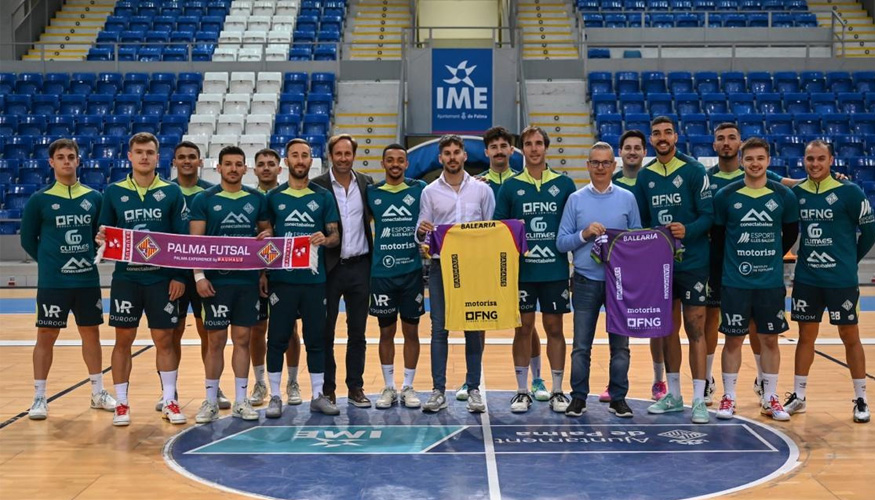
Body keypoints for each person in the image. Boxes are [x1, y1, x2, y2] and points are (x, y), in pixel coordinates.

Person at [705, 123, 802, 405]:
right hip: (731, 278)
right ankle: (725, 393)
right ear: (741, 160)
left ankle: (768, 391)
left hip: (768, 281)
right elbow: (720, 238)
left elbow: (792, 232)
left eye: (760, 158)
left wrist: (771, 254)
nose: (755, 163)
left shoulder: (781, 194)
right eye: (750, 159)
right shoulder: (721, 191)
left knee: (768, 337)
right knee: (730, 337)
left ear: (768, 161)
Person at [96, 132, 188, 426]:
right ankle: (122, 403)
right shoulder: (113, 192)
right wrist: (100, 239)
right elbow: (103, 233)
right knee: (123, 339)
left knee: (164, 339)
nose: (144, 157)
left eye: (150, 152)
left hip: (161, 279)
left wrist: (178, 276)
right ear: (130, 156)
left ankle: (170, 399)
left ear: (157, 156)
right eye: (139, 152)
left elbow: (180, 239)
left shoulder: (172, 192)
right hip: (127, 279)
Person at [21, 138, 116, 420]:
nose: (66, 161)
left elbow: (98, 236)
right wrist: (51, 263)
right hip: (53, 283)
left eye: (70, 156)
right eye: (60, 157)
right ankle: (39, 396)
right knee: (46, 336)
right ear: (51, 162)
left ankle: (98, 392)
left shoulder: (94, 197)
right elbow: (28, 239)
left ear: (78, 161)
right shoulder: (40, 199)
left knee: (91, 334)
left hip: (86, 280)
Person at [785, 140, 874, 423]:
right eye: (810, 159)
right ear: (804, 161)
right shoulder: (798, 192)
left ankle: (861, 398)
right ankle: (799, 396)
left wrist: (850, 261)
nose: (815, 164)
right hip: (808, 279)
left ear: (831, 159)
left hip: (840, 280)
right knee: (805, 338)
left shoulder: (850, 192)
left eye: (820, 159)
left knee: (850, 337)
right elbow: (771, 179)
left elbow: (870, 232)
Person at [632, 116, 713, 424]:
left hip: (693, 263)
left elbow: (708, 216)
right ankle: (675, 395)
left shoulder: (694, 170)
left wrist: (686, 230)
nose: (662, 137)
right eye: (657, 134)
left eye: (667, 132)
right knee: (667, 330)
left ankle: (698, 399)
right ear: (651, 140)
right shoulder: (645, 176)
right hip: (661, 265)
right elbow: (639, 222)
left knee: (695, 328)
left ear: (676, 136)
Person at [493, 126, 576, 413]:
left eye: (539, 143)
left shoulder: (565, 185)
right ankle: (521, 390)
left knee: (555, 328)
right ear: (522, 150)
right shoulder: (511, 186)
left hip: (554, 270)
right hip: (523, 272)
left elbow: (573, 227)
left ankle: (557, 390)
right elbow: (499, 228)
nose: (534, 148)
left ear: (546, 147)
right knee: (523, 329)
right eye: (528, 144)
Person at [557, 142, 640, 418]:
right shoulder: (576, 199)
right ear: (588, 166)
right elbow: (561, 242)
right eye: (595, 162)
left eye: (606, 163)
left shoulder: (627, 198)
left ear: (613, 166)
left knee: (621, 346)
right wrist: (585, 234)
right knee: (581, 345)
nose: (601, 167)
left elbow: (638, 239)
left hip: (619, 282)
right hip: (584, 280)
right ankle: (578, 397)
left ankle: (619, 398)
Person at [189, 146, 271, 423]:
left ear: (245, 168)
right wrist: (199, 277)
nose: (233, 168)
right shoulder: (204, 199)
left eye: (238, 164)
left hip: (246, 281)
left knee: (243, 341)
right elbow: (194, 244)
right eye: (228, 164)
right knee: (215, 341)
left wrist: (262, 269)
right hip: (215, 283)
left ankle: (241, 400)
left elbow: (266, 236)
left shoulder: (256, 199)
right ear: (218, 168)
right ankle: (211, 401)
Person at [416, 134, 495, 413]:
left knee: (473, 328)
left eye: (456, 152)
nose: (451, 157)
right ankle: (438, 390)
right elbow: (421, 232)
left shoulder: (483, 190)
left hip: (474, 267)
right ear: (440, 158)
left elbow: (490, 229)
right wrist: (422, 234)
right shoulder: (429, 192)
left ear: (464, 156)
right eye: (446, 153)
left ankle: (473, 388)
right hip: (440, 267)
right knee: (440, 329)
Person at [263, 138, 341, 417]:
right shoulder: (273, 197)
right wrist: (267, 241)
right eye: (294, 155)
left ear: (312, 162)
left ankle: (318, 395)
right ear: (286, 162)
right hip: (282, 280)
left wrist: (326, 237)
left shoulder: (323, 196)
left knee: (316, 339)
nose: (299, 160)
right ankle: (274, 396)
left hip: (313, 280)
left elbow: (335, 237)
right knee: (277, 339)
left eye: (304, 156)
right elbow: (264, 237)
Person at [472, 125, 547, 402]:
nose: (499, 151)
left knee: (525, 322)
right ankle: (474, 381)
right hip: (485, 262)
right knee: (478, 319)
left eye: (504, 146)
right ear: (486, 152)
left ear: (512, 150)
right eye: (494, 147)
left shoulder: (523, 180)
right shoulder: (475, 185)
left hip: (518, 263)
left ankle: (537, 379)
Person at [313, 134, 375, 407]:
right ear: (330, 156)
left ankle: (356, 388)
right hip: (330, 268)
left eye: (347, 153)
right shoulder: (317, 186)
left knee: (358, 333)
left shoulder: (366, 183)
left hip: (360, 266)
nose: (343, 158)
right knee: (325, 332)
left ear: (354, 155)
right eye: (338, 153)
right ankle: (328, 389)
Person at [165, 141, 225, 411]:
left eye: (192, 157)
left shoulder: (212, 193)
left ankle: (214, 388)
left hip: (205, 275)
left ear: (201, 162)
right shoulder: (165, 192)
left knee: (209, 333)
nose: (187, 161)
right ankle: (170, 391)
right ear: (174, 162)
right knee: (172, 333)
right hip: (175, 276)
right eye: (182, 157)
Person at [609, 129, 667, 403]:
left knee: (655, 321)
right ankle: (615, 382)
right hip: (619, 265)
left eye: (637, 148)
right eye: (627, 148)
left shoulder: (653, 181)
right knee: (618, 324)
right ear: (620, 153)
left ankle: (659, 381)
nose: (632, 152)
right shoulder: (611, 183)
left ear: (645, 152)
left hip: (649, 263)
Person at [368, 144, 427, 409]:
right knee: (386, 331)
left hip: (411, 272)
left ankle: (409, 386)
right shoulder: (372, 193)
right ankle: (389, 387)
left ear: (406, 164)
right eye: (390, 159)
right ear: (383, 163)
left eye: (400, 160)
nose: (395, 164)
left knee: (411, 331)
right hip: (382, 273)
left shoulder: (419, 190)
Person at [248, 148, 303, 407]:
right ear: (255, 169)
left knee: (290, 329)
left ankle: (292, 381)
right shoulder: (248, 198)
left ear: (280, 168)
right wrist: (261, 272)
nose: (266, 168)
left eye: (271, 163)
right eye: (261, 164)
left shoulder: (287, 196)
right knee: (257, 329)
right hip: (255, 273)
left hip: (286, 275)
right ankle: (260, 383)